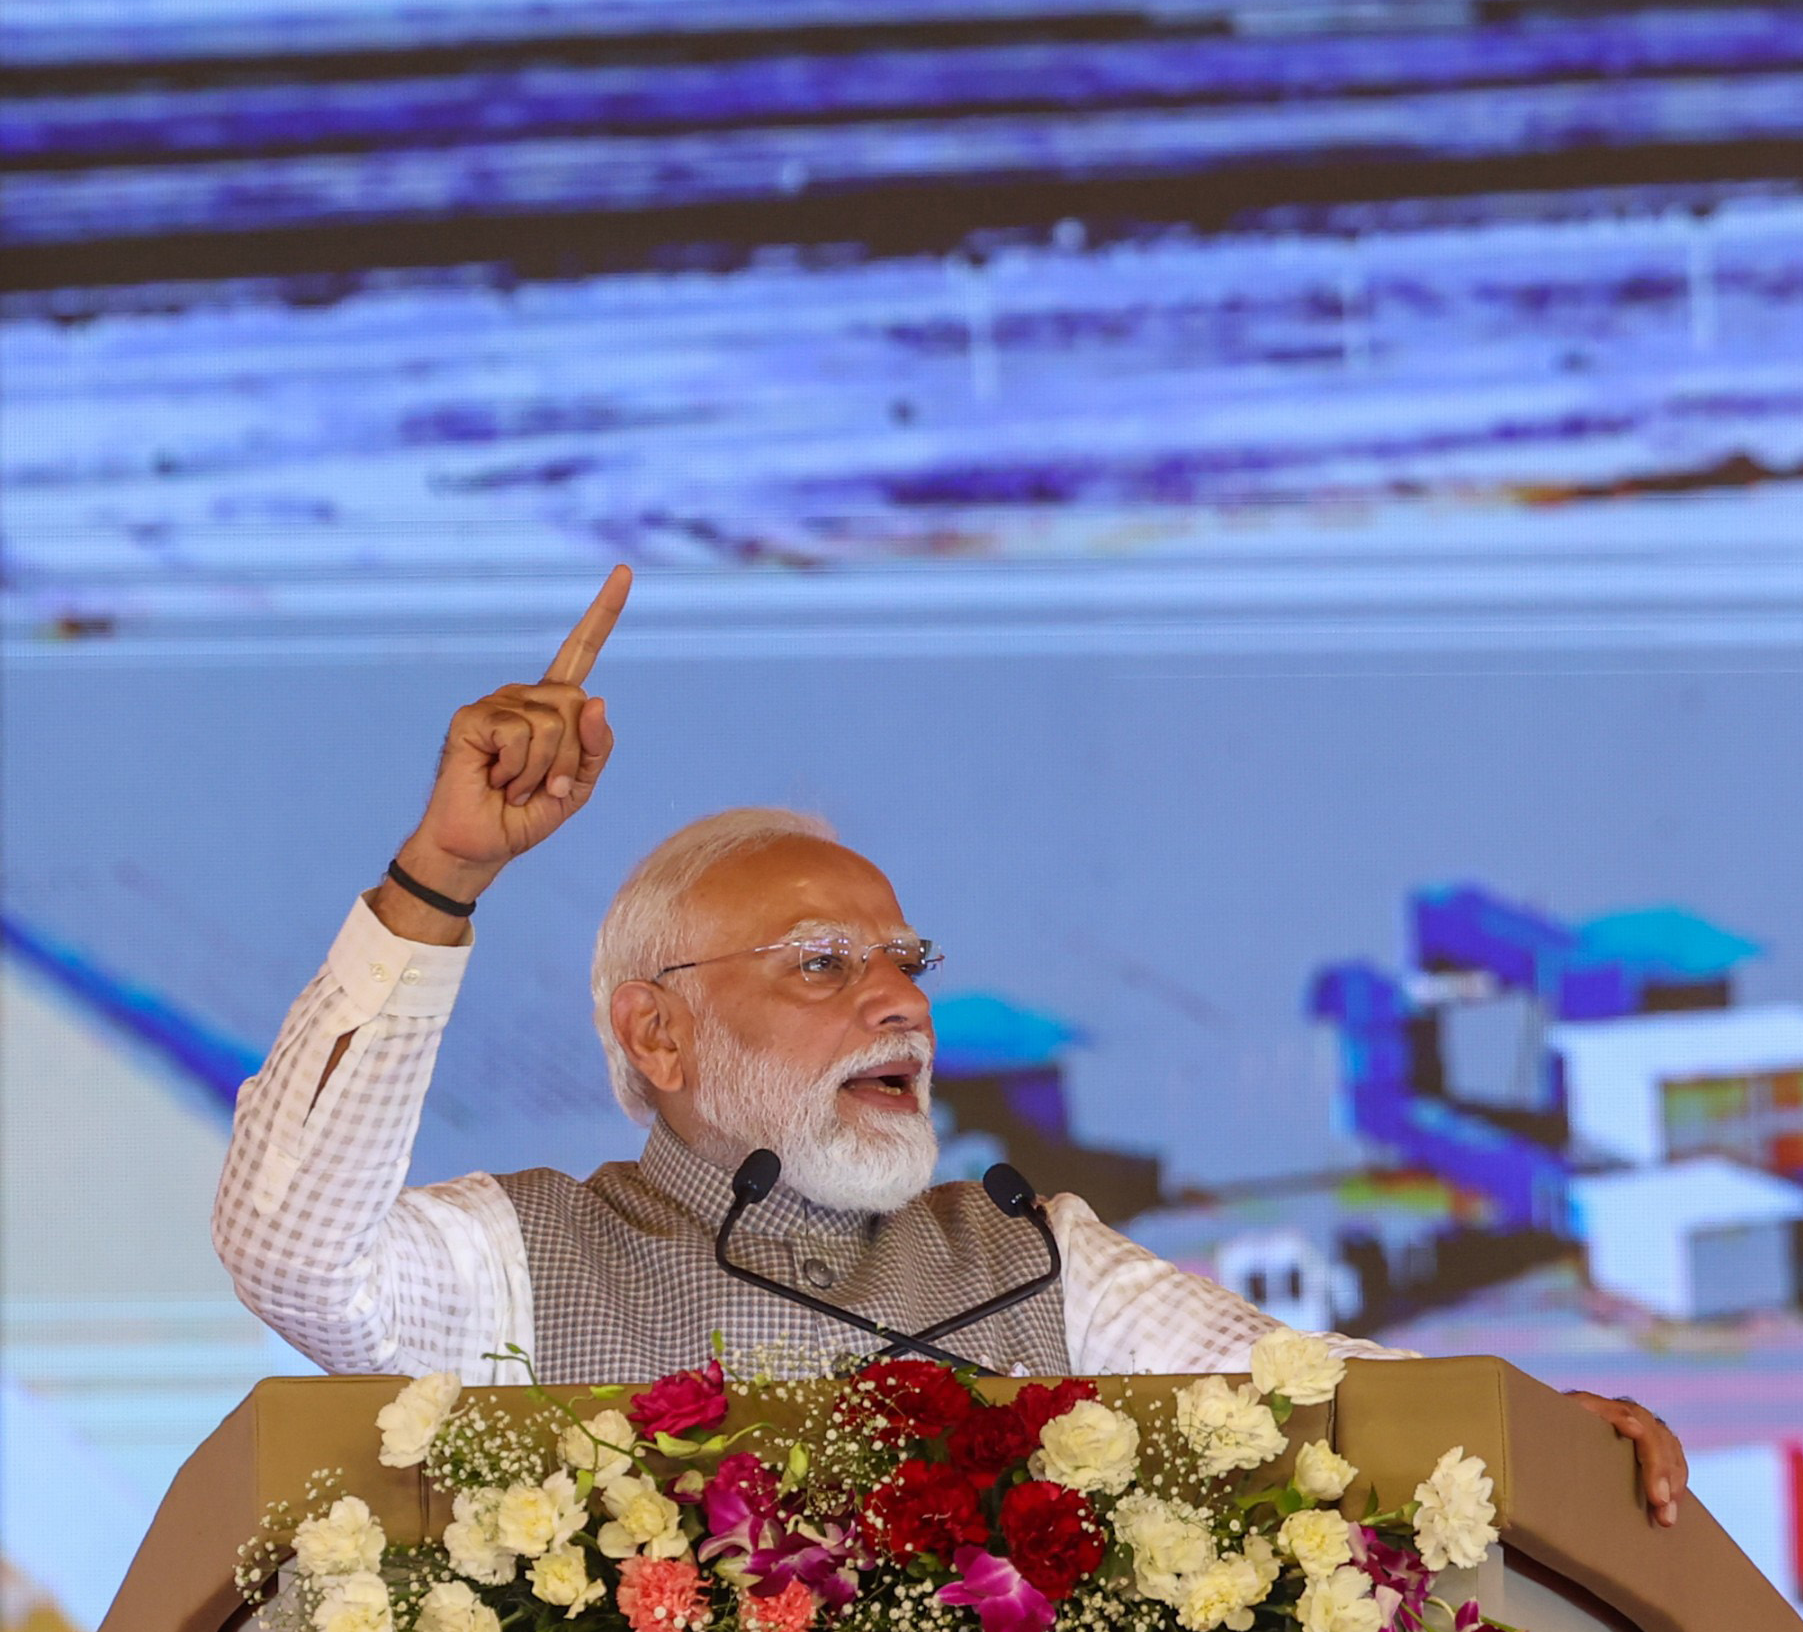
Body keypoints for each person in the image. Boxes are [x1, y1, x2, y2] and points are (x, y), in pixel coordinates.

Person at [214, 567, 1688, 1524]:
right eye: (822, 964)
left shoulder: (1034, 1264)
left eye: (906, 963)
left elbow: (1311, 1396)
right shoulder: (518, 1263)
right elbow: (293, 1257)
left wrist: (1528, 1433)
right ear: (656, 1031)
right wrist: (442, 876)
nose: (900, 1003)